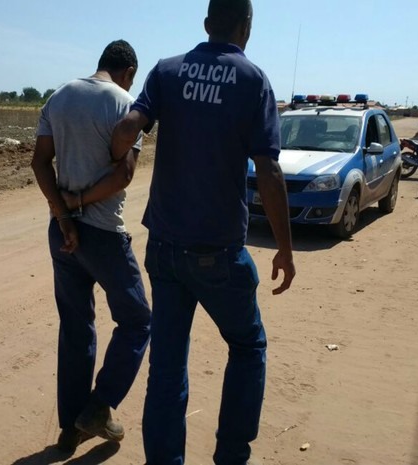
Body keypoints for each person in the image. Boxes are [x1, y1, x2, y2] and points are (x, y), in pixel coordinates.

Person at [110, 1, 296, 464]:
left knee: (167, 369)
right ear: (245, 26)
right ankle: (231, 456)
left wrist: (119, 150)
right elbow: (268, 171)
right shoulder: (254, 81)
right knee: (248, 345)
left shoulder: (166, 71)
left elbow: (130, 125)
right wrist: (285, 249)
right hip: (218, 253)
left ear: (207, 24)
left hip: (165, 250)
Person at [31, 39, 151, 454]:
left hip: (62, 232)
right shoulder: (126, 105)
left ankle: (71, 429)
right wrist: (80, 204)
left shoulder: (59, 96)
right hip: (102, 233)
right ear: (129, 72)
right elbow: (124, 176)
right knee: (137, 321)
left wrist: (64, 215)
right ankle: (99, 406)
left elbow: (39, 162)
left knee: (77, 327)